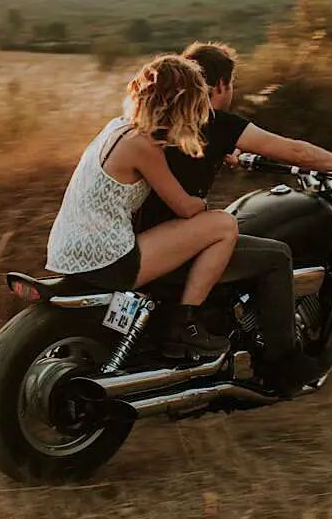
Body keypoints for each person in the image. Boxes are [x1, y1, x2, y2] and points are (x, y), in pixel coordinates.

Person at [133, 41, 332, 395]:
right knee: (276, 256)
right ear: (219, 85)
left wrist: (228, 154)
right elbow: (295, 150)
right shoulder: (217, 122)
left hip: (142, 239)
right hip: (171, 247)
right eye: (231, 85)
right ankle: (282, 366)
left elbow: (192, 153)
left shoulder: (161, 119)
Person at [46, 53, 238, 359]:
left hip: (65, 252)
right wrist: (202, 202)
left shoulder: (118, 128)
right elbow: (185, 208)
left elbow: (171, 143)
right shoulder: (143, 147)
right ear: (180, 103)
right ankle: (185, 323)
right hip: (109, 260)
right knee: (223, 225)